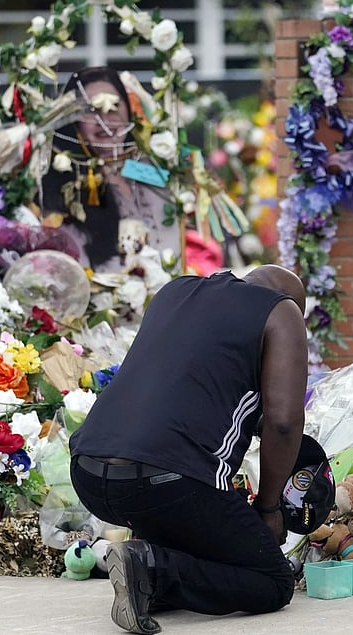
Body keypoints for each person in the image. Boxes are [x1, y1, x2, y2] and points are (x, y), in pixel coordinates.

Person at [69, 265, 307, 634]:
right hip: (168, 480)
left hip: (88, 469)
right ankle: (151, 568)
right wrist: (269, 507)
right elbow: (284, 422)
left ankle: (144, 572)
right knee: (272, 581)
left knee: (189, 529)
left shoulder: (175, 291)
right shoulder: (281, 310)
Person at [41, 67, 179, 273]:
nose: (105, 120)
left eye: (114, 106)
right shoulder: (64, 181)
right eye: (92, 109)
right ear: (73, 120)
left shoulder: (152, 167)